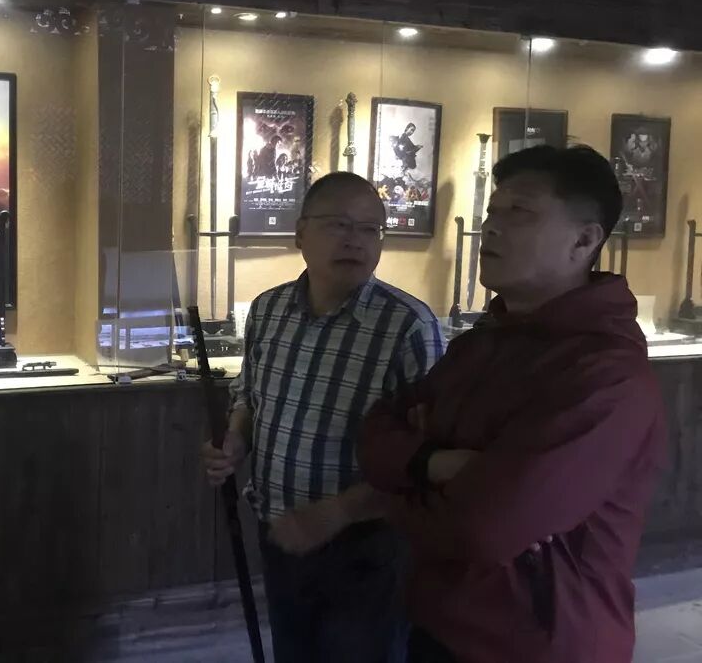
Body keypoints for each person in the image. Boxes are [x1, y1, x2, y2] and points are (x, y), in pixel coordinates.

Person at [358, 145, 666, 663]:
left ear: (584, 240)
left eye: (519, 212)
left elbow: (484, 529)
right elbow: (375, 433)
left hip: (538, 641)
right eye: (491, 213)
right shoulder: (482, 342)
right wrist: (436, 464)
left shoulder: (604, 375)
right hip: (439, 621)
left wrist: (397, 491)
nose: (491, 228)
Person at [202, 171, 445, 663]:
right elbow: (250, 394)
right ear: (300, 234)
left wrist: (337, 513)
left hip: (368, 545)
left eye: (370, 229)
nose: (355, 240)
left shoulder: (408, 326)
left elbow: (427, 457)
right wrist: (235, 441)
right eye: (339, 224)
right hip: (280, 532)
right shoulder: (269, 310)